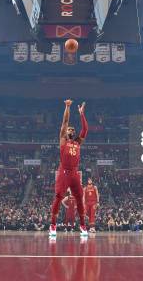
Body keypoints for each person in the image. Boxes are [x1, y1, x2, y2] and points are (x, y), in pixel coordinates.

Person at [49, 100, 88, 237]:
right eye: (69, 129)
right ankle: (53, 225)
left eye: (73, 129)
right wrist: (67, 107)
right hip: (64, 171)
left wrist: (82, 114)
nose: (71, 130)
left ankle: (83, 225)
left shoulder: (77, 142)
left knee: (79, 198)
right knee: (59, 197)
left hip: (74, 172)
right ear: (66, 132)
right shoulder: (63, 139)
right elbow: (65, 122)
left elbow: (85, 130)